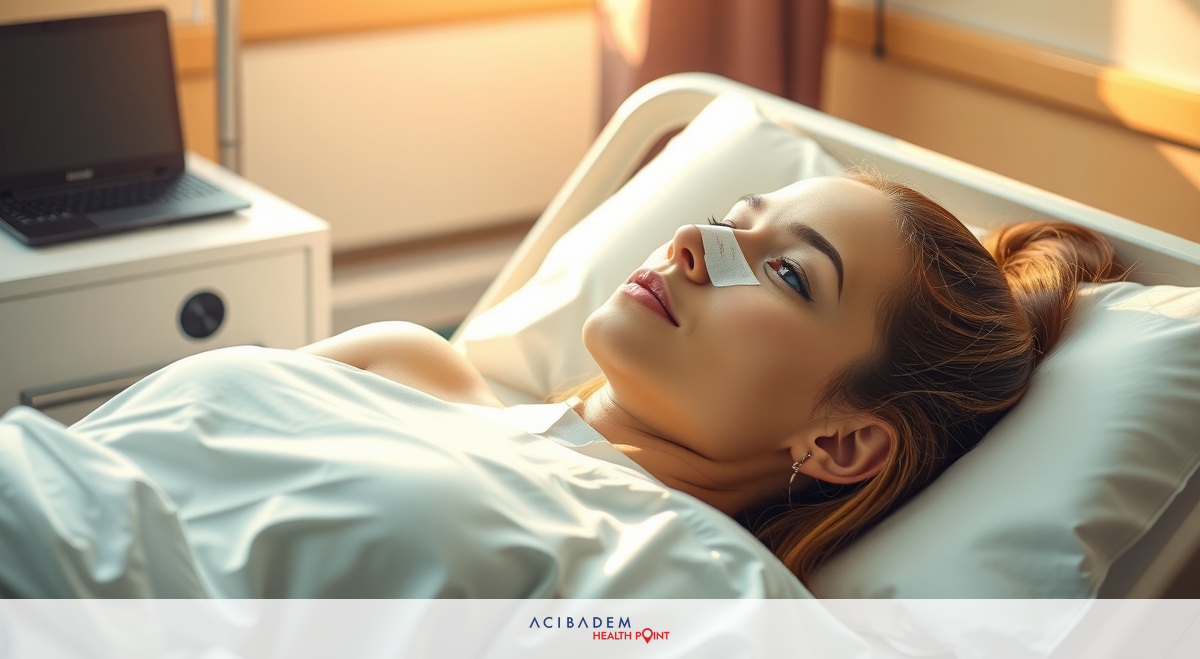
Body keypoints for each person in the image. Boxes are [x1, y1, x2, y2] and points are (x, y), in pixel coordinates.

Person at [298, 169, 1125, 587]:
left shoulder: (680, 599)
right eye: (733, 221)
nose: (694, 240)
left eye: (791, 275)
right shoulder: (402, 362)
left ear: (840, 442)